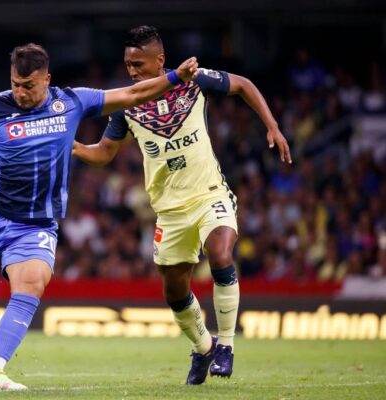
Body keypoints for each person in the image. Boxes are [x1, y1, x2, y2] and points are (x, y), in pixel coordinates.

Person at [0, 43, 199, 390]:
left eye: (29, 86)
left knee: (31, 283)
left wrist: (173, 78)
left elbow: (133, 93)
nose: (20, 92)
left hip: (34, 224)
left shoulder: (73, 101)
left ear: (46, 79)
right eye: (16, 84)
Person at [73, 26, 291, 385]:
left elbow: (243, 85)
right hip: (169, 211)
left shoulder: (193, 80)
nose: (132, 71)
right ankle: (203, 347)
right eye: (128, 64)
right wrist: (74, 148)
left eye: (139, 64)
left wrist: (272, 126)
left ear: (160, 60)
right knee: (175, 290)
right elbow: (104, 152)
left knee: (220, 254)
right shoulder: (127, 104)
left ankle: (225, 345)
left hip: (209, 195)